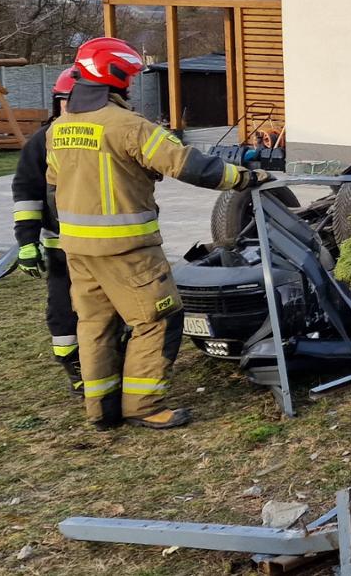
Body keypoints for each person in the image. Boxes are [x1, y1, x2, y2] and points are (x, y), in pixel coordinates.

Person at [48, 37, 268, 430]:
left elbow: (55, 181)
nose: (131, 84)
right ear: (114, 76)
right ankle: (144, 406)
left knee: (95, 325)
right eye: (128, 76)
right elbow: (188, 165)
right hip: (127, 249)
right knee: (158, 319)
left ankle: (101, 410)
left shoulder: (60, 128)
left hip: (78, 249)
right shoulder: (127, 125)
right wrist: (244, 177)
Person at [12, 69, 83, 395]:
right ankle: (75, 367)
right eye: (67, 101)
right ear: (58, 103)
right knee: (62, 312)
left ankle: (112, 360)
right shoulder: (41, 142)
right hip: (61, 249)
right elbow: (26, 192)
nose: (73, 108)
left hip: (107, 246)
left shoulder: (99, 135)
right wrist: (27, 242)